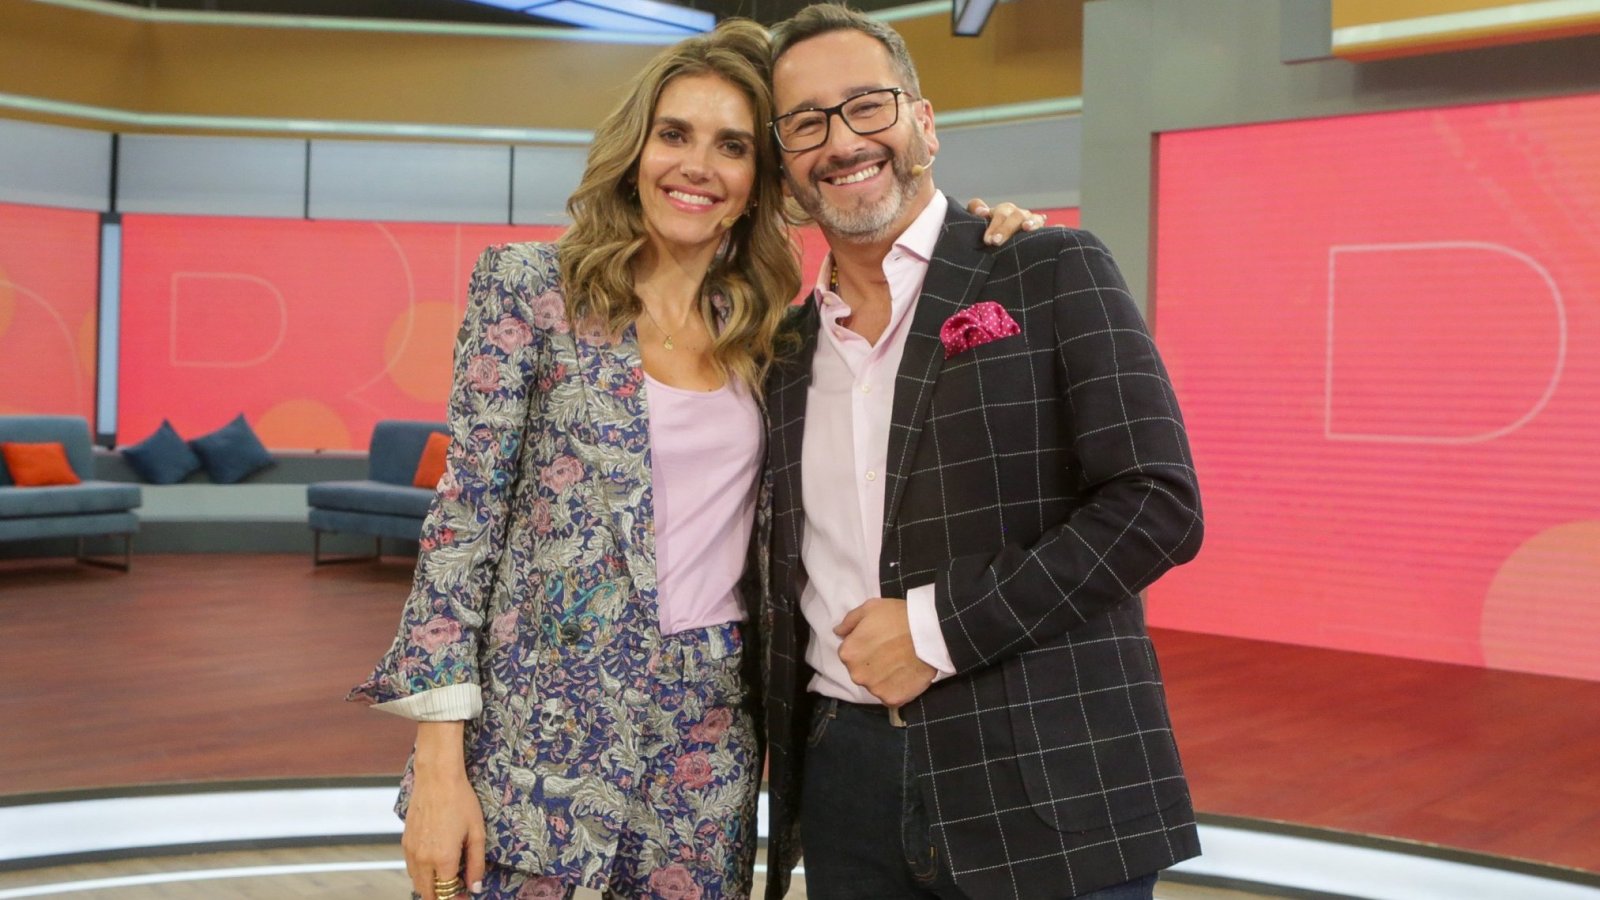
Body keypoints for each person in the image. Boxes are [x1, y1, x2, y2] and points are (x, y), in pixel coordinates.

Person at [349, 18, 1040, 900]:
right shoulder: (530, 289)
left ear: (758, 181)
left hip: (707, 744)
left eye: (732, 146)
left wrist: (982, 239)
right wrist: (438, 760)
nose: (697, 166)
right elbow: (464, 525)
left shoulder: (774, 334)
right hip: (536, 737)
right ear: (637, 150)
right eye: (674, 134)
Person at [756, 5, 1206, 900]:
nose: (841, 141)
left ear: (924, 124)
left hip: (1048, 769)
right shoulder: (781, 351)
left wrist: (935, 631)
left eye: (867, 105)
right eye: (806, 122)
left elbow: (1157, 504)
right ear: (785, 164)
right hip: (847, 784)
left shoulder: (1047, 267)